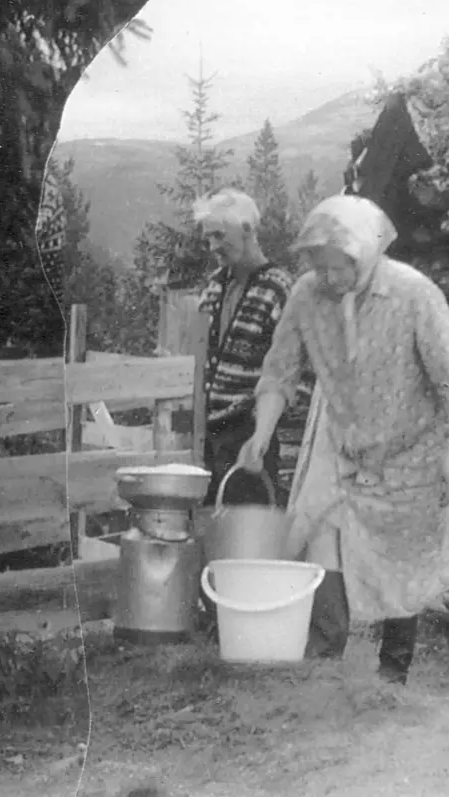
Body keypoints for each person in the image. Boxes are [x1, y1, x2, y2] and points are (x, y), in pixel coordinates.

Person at [235, 194, 449, 685]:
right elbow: (279, 372)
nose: (328, 279)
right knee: (323, 540)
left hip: (411, 454)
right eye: (319, 267)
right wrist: (261, 433)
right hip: (344, 449)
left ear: (365, 255)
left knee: (400, 567)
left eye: (337, 268)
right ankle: (324, 672)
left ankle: (392, 677)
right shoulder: (306, 296)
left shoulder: (414, 295)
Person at [194, 189, 295, 631]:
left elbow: (292, 364)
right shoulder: (216, 286)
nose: (214, 247)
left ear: (249, 230)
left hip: (252, 427)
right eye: (208, 239)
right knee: (213, 522)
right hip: (209, 426)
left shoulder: (279, 288)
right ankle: (218, 618)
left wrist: (265, 429)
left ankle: (251, 619)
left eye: (220, 236)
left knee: (250, 526)